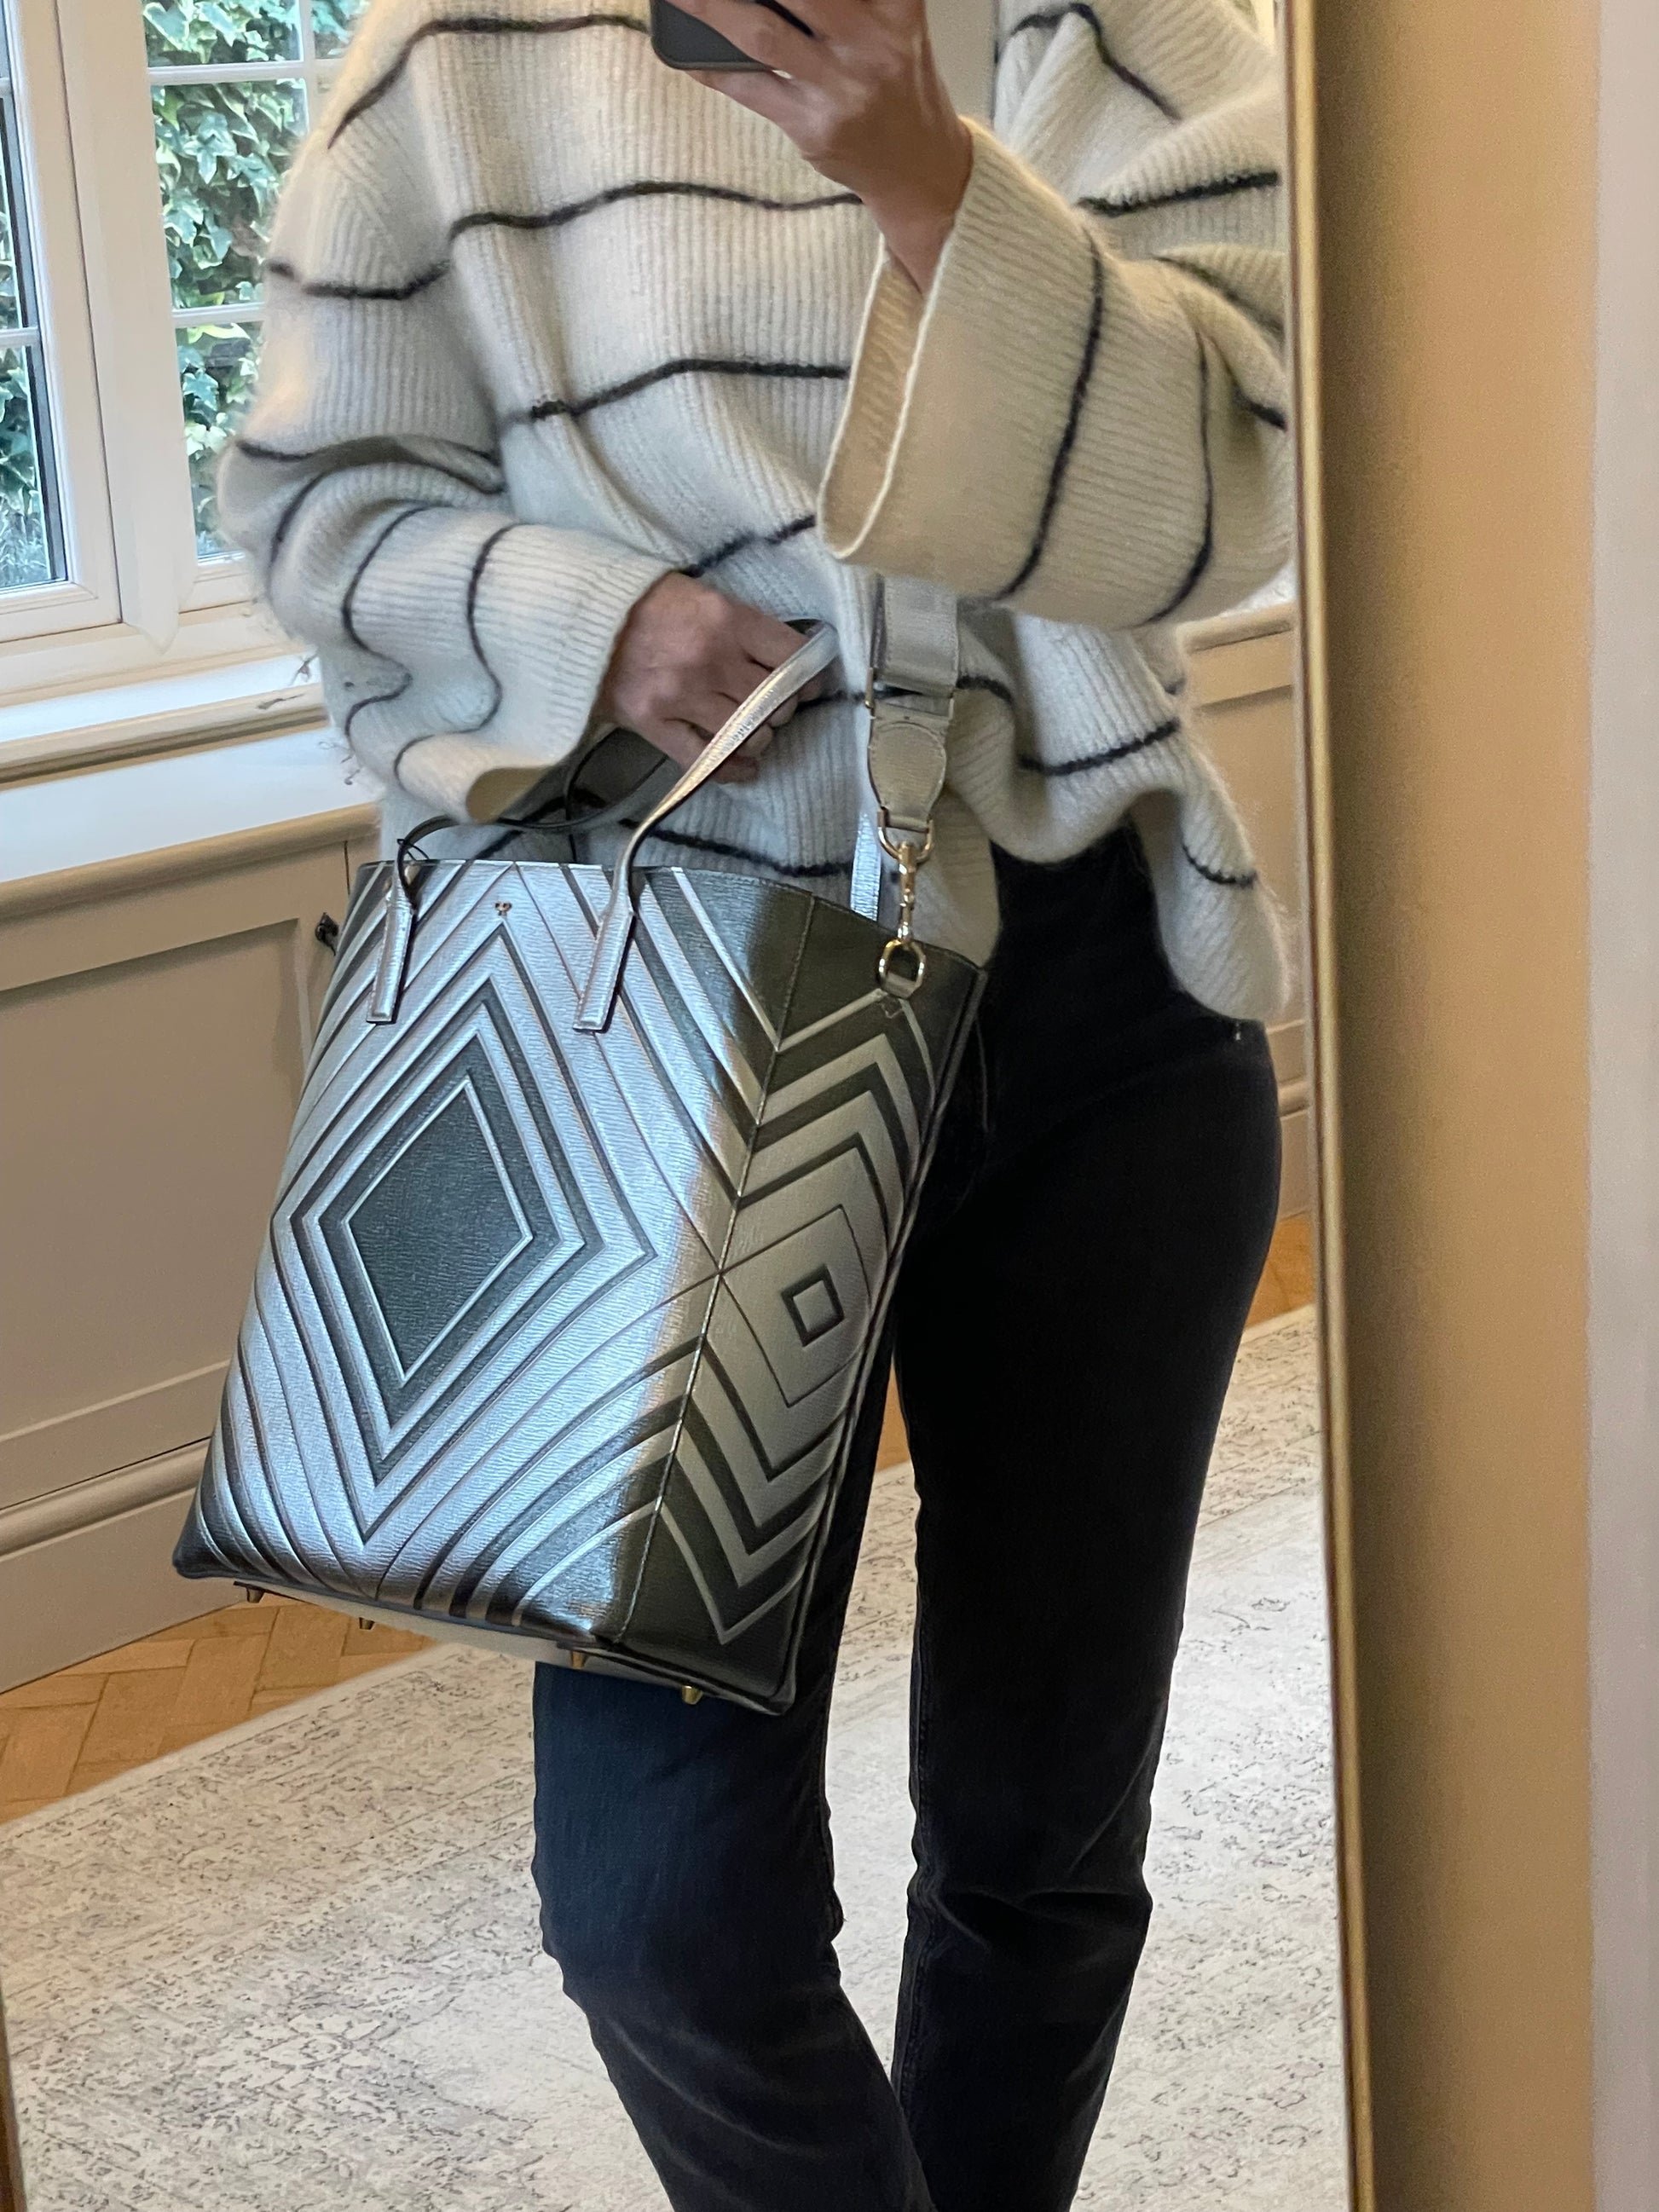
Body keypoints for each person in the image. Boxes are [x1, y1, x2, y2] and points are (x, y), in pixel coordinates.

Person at [220, 0, 1292, 2202]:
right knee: (659, 1907)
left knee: (1039, 1843)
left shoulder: (1103, 20)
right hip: (669, 1027)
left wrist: (927, 180)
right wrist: (592, 624)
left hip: (1087, 1005)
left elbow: (1230, 495)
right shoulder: (457, 53)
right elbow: (316, 505)